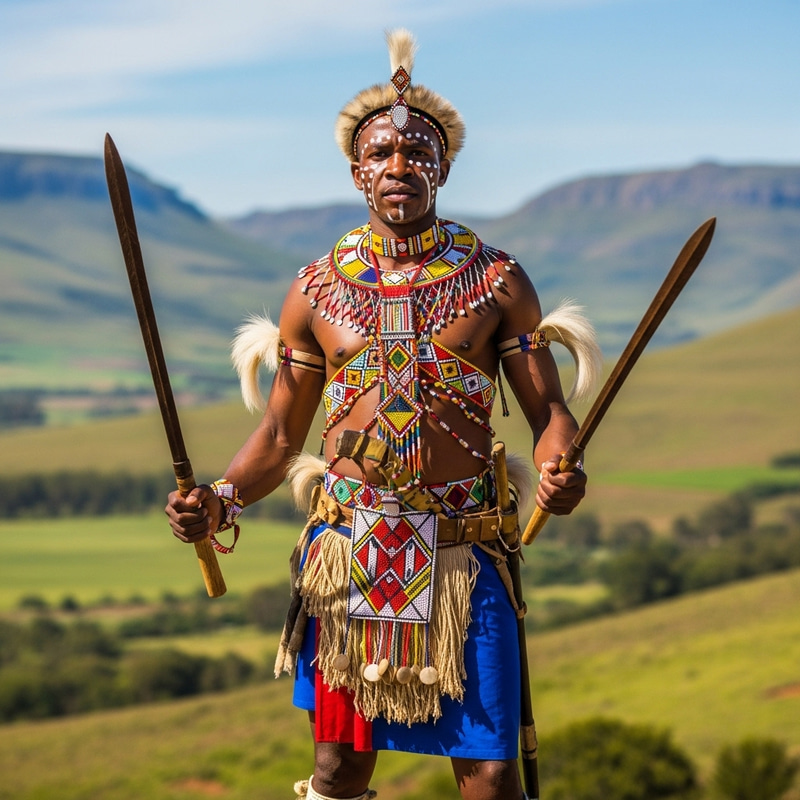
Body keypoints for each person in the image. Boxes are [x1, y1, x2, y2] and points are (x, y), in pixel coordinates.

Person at [165, 29, 600, 800]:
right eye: (380, 155)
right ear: (356, 170)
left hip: (465, 552)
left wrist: (564, 469)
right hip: (350, 554)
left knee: (493, 778)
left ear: (442, 167)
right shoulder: (318, 289)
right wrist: (220, 499)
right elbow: (276, 436)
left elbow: (551, 412)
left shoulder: (495, 280)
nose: (399, 167)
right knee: (336, 771)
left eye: (416, 154)